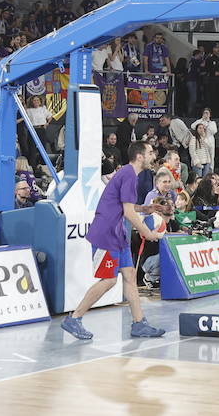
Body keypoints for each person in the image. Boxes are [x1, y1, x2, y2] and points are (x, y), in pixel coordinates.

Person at [60, 144, 165, 341]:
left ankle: (139, 323)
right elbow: (127, 212)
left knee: (130, 275)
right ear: (140, 156)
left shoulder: (128, 175)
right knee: (109, 280)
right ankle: (74, 318)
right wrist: (147, 232)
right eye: (150, 152)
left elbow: (126, 205)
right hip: (107, 234)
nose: (153, 155)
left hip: (119, 235)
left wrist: (145, 208)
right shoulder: (128, 175)